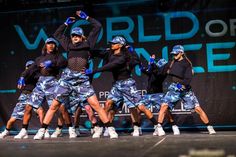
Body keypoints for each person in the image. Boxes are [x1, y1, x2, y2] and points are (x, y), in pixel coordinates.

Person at [33, 10, 118, 140]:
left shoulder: (88, 44)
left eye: (77, 35)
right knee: (55, 104)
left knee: (94, 104)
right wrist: (65, 24)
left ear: (82, 36)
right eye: (73, 35)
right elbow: (57, 34)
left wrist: (88, 17)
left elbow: (98, 27)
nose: (74, 37)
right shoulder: (68, 45)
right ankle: (42, 130)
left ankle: (110, 128)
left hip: (82, 78)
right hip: (67, 78)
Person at [84, 36, 160, 138]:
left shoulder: (124, 57)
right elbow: (98, 52)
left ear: (120, 45)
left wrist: (93, 71)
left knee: (140, 106)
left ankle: (157, 125)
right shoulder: (110, 53)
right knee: (108, 104)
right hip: (117, 84)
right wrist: (84, 49)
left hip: (127, 84)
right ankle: (102, 127)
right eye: (111, 43)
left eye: (114, 43)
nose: (112, 44)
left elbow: (110, 66)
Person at [14, 37, 68, 139]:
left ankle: (59, 129)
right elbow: (31, 69)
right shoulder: (39, 59)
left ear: (55, 46)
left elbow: (64, 63)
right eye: (49, 43)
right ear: (46, 45)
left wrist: (51, 63)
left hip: (52, 84)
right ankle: (24, 130)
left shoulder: (58, 56)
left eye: (53, 44)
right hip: (40, 85)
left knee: (56, 108)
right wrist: (22, 76)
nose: (51, 45)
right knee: (28, 107)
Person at [156, 45, 216, 136]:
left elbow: (188, 78)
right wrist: (155, 65)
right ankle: (160, 127)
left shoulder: (187, 63)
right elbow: (161, 71)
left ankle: (209, 127)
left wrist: (182, 85)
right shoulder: (172, 62)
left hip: (185, 90)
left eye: (176, 53)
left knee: (197, 108)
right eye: (173, 53)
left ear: (181, 53)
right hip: (174, 88)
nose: (174, 55)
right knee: (164, 106)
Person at [0, 61, 44, 138]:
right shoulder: (24, 75)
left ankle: (44, 130)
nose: (30, 68)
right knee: (13, 119)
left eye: (31, 66)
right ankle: (6, 131)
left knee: (40, 111)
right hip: (25, 96)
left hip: (34, 96)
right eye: (28, 66)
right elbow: (19, 85)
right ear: (26, 67)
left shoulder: (37, 75)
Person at [139, 55, 180, 136]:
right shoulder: (153, 70)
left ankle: (174, 126)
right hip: (148, 95)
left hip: (158, 95)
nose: (157, 65)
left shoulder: (162, 73)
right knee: (139, 107)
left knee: (166, 111)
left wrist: (152, 62)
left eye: (158, 64)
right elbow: (145, 70)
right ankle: (151, 126)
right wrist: (140, 65)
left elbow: (157, 72)